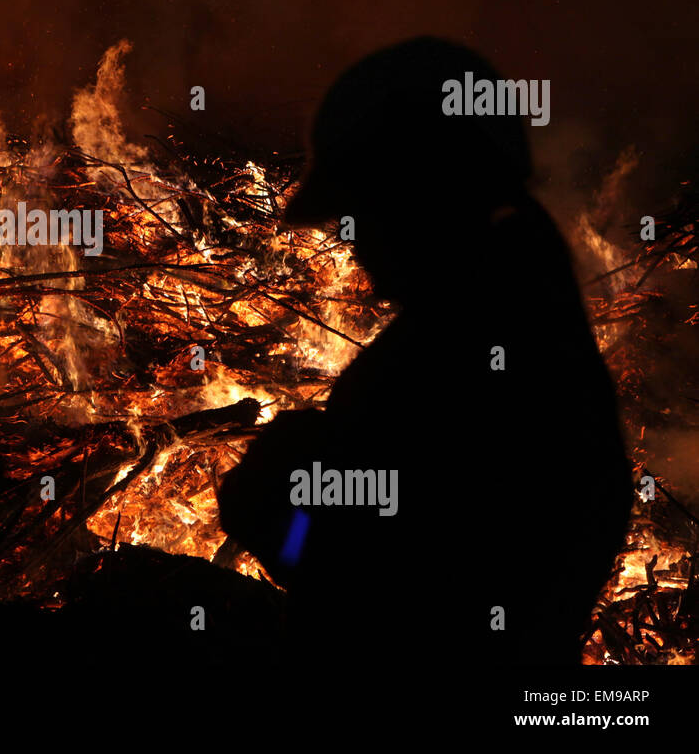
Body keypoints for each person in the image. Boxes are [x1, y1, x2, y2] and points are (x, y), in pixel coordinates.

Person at [217, 37, 633, 664]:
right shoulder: (519, 314)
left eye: (366, 211)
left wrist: (283, 500)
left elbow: (358, 583)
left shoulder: (462, 357)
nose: (355, 247)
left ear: (427, 190)